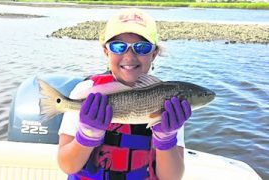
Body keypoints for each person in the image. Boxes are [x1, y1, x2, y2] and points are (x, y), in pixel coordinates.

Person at [57, 8, 191, 180]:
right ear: (106, 52)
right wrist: (87, 135)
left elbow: (171, 178)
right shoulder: (86, 92)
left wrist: (166, 138)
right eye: (118, 47)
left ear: (154, 54)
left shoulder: (168, 102)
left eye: (142, 47)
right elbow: (67, 165)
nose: (129, 56)